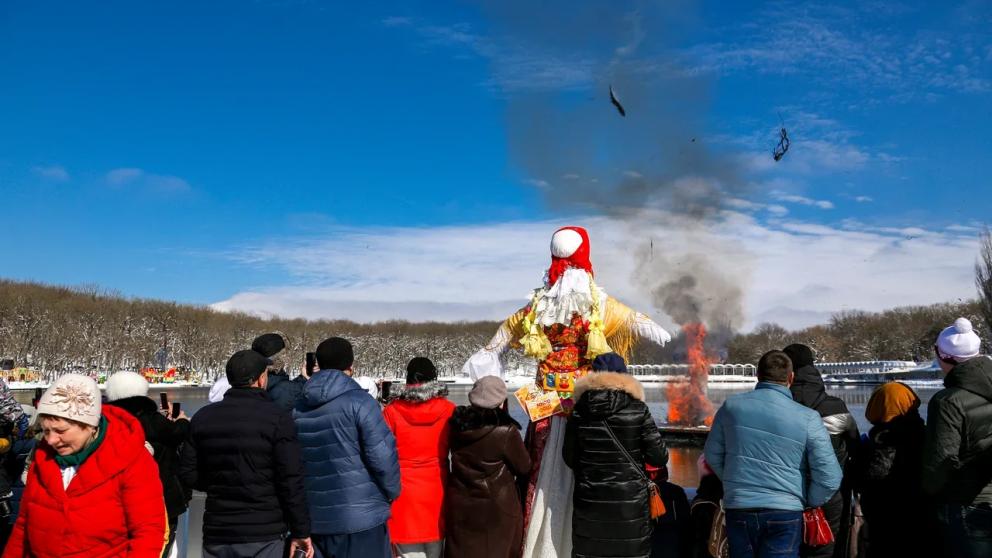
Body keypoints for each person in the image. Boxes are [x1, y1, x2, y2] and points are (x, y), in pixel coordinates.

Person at [462, 226, 671, 558]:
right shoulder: (597, 304)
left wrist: (490, 364)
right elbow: (632, 319)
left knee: (544, 475)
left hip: (547, 409)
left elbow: (499, 340)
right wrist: (652, 327)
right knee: (585, 474)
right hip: (584, 410)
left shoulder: (536, 308)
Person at [3, 374, 167, 558]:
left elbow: (147, 532)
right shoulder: (43, 458)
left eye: (61, 431)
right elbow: (24, 525)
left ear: (90, 425)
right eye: (46, 431)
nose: (51, 440)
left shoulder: (131, 459)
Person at [704, 350, 842, 558]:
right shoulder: (808, 418)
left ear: (758, 376)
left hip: (739, 508)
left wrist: (735, 484)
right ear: (791, 378)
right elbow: (830, 477)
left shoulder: (731, 407)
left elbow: (712, 454)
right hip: (786, 512)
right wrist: (807, 500)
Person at [179, 350, 312, 558]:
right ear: (261, 379)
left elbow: (187, 473)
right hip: (263, 532)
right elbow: (291, 480)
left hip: (219, 530)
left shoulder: (203, 418)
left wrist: (219, 481)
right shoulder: (277, 418)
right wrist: (301, 530)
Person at [293, 337, 401, 558]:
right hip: (362, 519)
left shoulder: (297, 407)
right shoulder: (361, 403)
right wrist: (392, 491)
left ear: (318, 365)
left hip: (316, 519)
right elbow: (383, 456)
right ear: (351, 366)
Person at [563, 352, 668, 558]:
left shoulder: (579, 411)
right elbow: (659, 457)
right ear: (625, 377)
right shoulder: (638, 409)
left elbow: (569, 457)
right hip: (630, 506)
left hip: (590, 503)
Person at [922, 317, 992, 558]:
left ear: (943, 356)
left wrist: (928, 492)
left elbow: (941, 462)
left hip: (967, 501)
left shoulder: (947, 402)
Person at [783, 343, 859, 558]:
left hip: (784, 494)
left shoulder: (775, 408)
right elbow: (855, 447)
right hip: (830, 495)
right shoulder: (836, 407)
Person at [105, 371, 191, 558]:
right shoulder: (152, 420)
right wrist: (182, 420)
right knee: (160, 544)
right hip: (161, 496)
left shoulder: (105, 421)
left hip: (115, 501)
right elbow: (177, 434)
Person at [445, 376, 530, 558]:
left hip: (460, 502)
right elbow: (524, 467)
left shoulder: (456, 425)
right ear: (500, 400)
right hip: (497, 506)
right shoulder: (506, 431)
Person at [383, 357, 455, 558]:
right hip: (437, 490)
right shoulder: (449, 410)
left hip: (403, 493)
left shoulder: (391, 411)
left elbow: (381, 455)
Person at [854, 382, 929, 557]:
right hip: (923, 521)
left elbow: (871, 478)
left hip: (885, 524)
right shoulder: (925, 434)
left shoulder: (880, 441)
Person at [254, 332, 307, 412]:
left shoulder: (247, 378)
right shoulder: (289, 392)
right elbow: (284, 391)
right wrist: (305, 379)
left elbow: (280, 386)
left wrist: (301, 378)